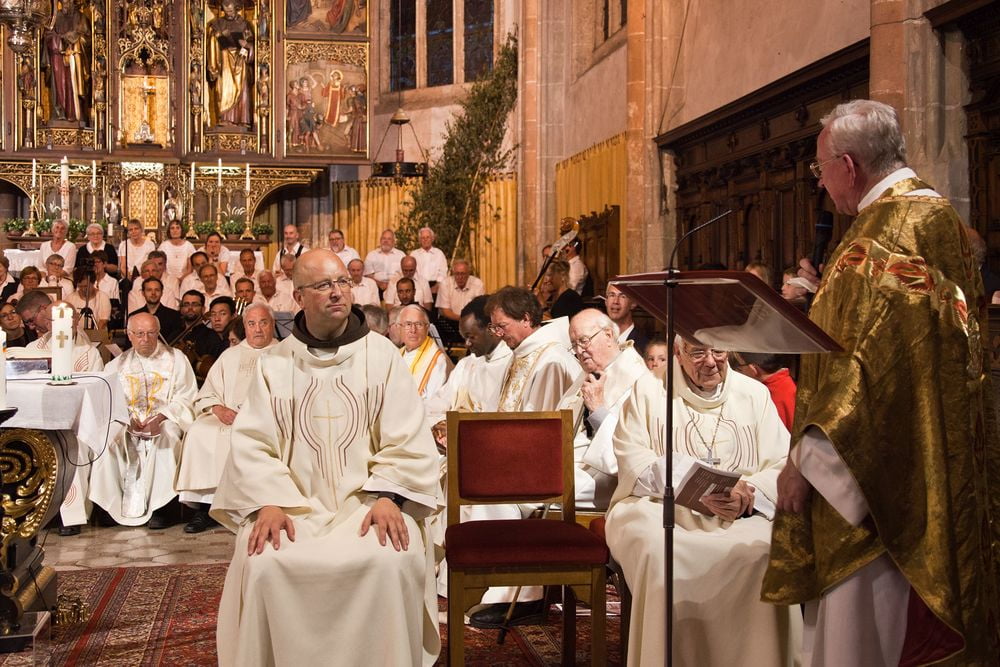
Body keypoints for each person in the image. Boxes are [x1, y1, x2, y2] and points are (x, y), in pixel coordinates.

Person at [764, 99, 1000, 664]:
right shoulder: (935, 218)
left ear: (849, 166)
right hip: (928, 463)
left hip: (874, 494)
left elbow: (861, 376)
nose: (820, 184)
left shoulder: (877, 242)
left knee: (862, 639)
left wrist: (805, 463)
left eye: (821, 169)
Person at [210, 249, 441, 666]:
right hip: (293, 507)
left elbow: (407, 436)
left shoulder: (382, 356)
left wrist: (389, 496)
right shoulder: (274, 364)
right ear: (298, 296)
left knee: (390, 560)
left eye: (342, 282)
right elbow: (252, 443)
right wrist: (269, 502)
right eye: (323, 285)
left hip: (368, 504)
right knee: (265, 563)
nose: (337, 292)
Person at [607, 337, 800, 665]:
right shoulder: (649, 390)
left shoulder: (753, 394)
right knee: (660, 551)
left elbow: (783, 462)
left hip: (741, 513)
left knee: (765, 552)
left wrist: (747, 492)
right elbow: (633, 459)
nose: (710, 362)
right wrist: (691, 485)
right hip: (661, 506)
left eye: (718, 351)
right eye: (698, 353)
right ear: (678, 353)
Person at [470, 287, 582, 627]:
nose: (498, 334)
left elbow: (545, 425)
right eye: (494, 327)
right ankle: (480, 585)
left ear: (527, 319)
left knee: (490, 490)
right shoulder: (521, 352)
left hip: (547, 460)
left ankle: (518, 596)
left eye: (501, 326)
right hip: (519, 452)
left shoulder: (550, 359)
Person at [89, 313, 197, 528]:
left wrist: (162, 416)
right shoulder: (115, 365)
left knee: (166, 438)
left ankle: (162, 508)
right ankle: (110, 507)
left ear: (158, 333)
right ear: (129, 335)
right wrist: (127, 419)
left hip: (165, 420)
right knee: (107, 440)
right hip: (128, 423)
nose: (145, 339)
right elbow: (108, 401)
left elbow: (187, 397)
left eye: (151, 333)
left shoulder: (177, 359)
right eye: (139, 334)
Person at [177, 304, 278, 534]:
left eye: (263, 323)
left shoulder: (285, 353)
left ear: (272, 325)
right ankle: (206, 508)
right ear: (245, 327)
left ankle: (257, 506)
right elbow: (208, 392)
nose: (258, 329)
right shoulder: (230, 355)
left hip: (269, 418)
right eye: (251, 324)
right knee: (200, 432)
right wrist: (219, 409)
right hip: (229, 416)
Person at [557, 309, 648, 510]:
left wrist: (597, 409)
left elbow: (627, 451)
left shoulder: (637, 379)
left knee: (524, 488)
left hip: (601, 474)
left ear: (608, 335)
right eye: (574, 345)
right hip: (570, 463)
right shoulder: (588, 373)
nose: (579, 351)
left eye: (584, 341)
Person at [206, 0, 254, 128]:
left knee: (242, 89)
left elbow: (253, 44)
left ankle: (242, 120)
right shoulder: (217, 24)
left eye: (231, 10)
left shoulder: (244, 24)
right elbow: (212, 43)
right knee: (224, 88)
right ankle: (225, 119)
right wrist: (219, 35)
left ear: (236, 7)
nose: (228, 12)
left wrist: (246, 45)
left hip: (240, 60)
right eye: (226, 9)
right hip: (224, 60)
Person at [731, 352, 797, 430]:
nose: (738, 372)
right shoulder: (788, 382)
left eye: (739, 368)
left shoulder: (771, 397)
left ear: (753, 369)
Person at [398, 305, 451, 400]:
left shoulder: (436, 360)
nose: (413, 330)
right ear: (399, 327)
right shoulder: (397, 354)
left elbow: (433, 401)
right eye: (408, 324)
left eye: (419, 324)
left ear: (427, 328)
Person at [128, 277, 183, 342]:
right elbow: (129, 344)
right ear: (143, 293)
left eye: (157, 290)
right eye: (149, 290)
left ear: (162, 293)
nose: (153, 293)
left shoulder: (175, 316)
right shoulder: (134, 316)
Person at [604, 283, 648, 355]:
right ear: (606, 301)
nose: (615, 301)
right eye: (612, 295)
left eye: (623, 296)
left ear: (633, 303)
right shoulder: (597, 339)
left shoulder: (643, 345)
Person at [409, 227, 448, 291]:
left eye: (428, 237)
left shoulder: (439, 253)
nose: (425, 240)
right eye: (423, 238)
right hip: (418, 286)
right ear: (419, 240)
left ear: (432, 239)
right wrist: (418, 286)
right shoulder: (414, 254)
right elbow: (411, 272)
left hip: (436, 286)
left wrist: (437, 286)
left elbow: (443, 272)